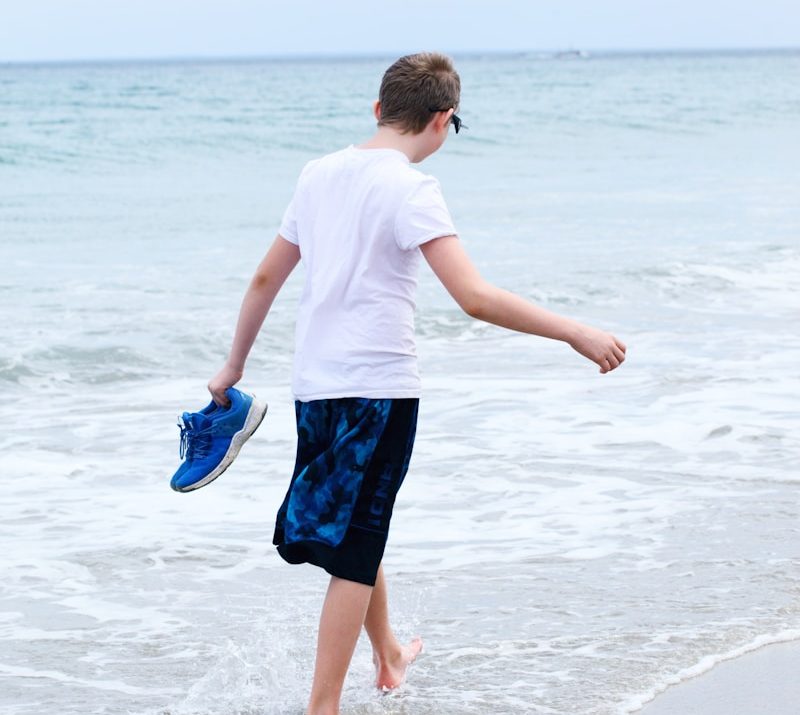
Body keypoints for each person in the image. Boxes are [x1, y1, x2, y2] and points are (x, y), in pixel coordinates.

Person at [207, 52, 626, 715]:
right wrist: (574, 331)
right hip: (379, 389)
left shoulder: (316, 174)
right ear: (442, 119)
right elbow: (475, 297)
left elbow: (265, 277)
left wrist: (233, 365)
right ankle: (324, 706)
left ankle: (390, 655)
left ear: (378, 110)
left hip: (314, 387)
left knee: (357, 527)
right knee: (356, 542)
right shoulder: (411, 189)